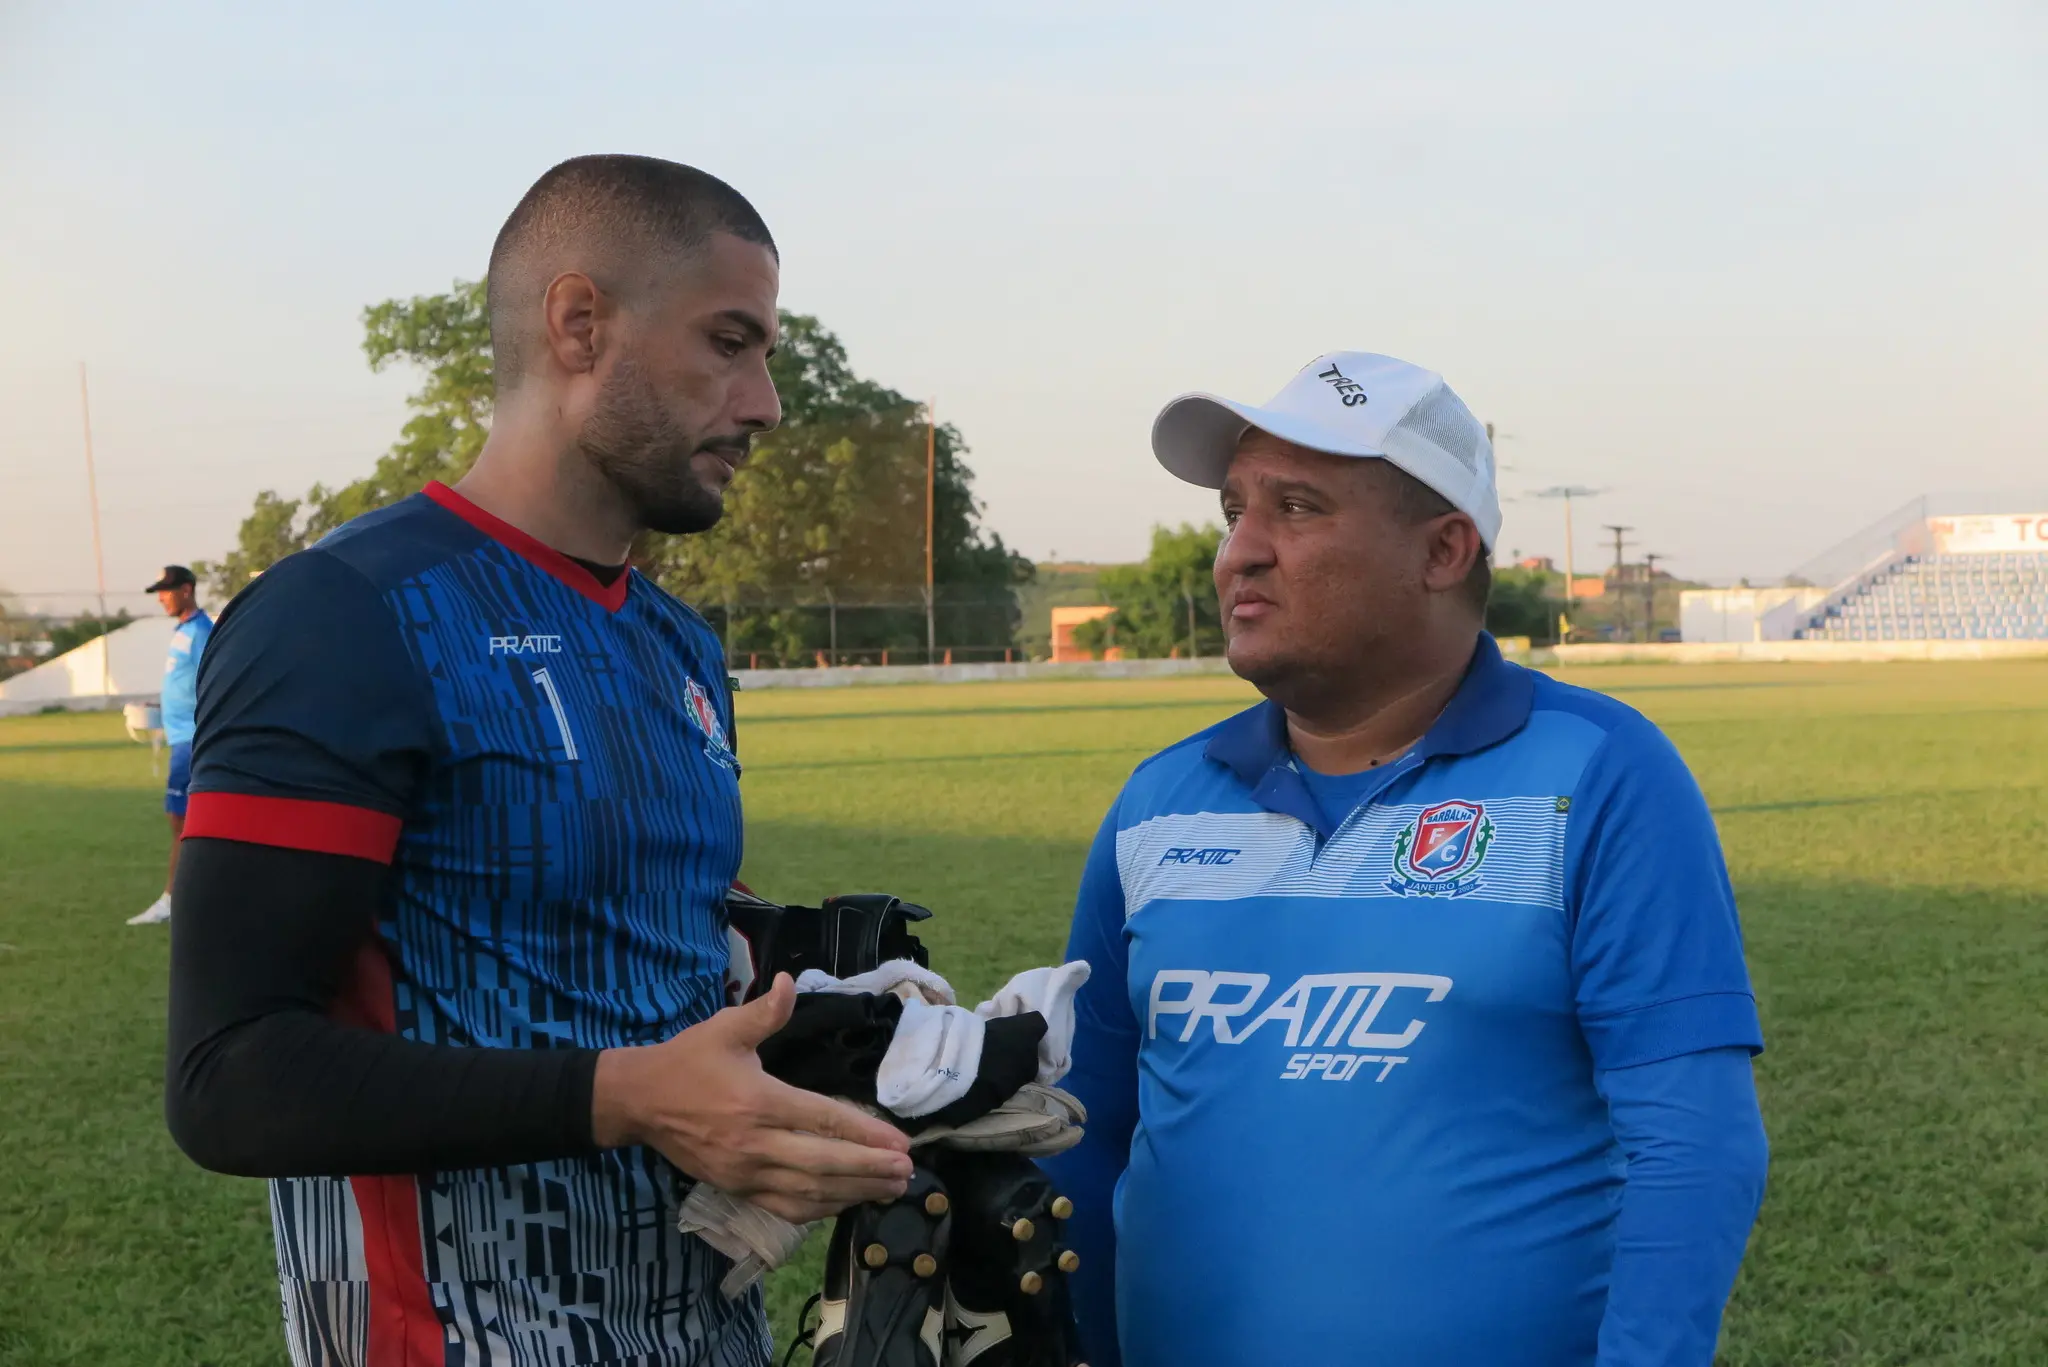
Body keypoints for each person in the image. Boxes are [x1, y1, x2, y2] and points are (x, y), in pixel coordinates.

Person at [164, 155, 914, 1367]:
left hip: (708, 1336)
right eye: (730, 340)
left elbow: (631, 949)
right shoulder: (343, 614)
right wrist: (625, 1094)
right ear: (579, 323)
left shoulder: (676, 641)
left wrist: (820, 1004)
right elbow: (227, 1074)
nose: (766, 399)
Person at [1042, 352, 1771, 1367]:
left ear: (1440, 550)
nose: (1238, 554)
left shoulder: (1598, 773)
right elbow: (1080, 1130)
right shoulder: (1157, 803)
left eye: (1295, 507)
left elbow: (1691, 1148)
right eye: (1232, 510)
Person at [127, 564, 211, 926]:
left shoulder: (202, 632)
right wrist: (159, 709)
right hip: (180, 737)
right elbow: (184, 684)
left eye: (167, 590)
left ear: (187, 590)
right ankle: (189, 897)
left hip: (193, 741)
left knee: (182, 822)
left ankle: (172, 901)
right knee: (183, 822)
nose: (161, 596)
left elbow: (214, 681)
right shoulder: (183, 631)